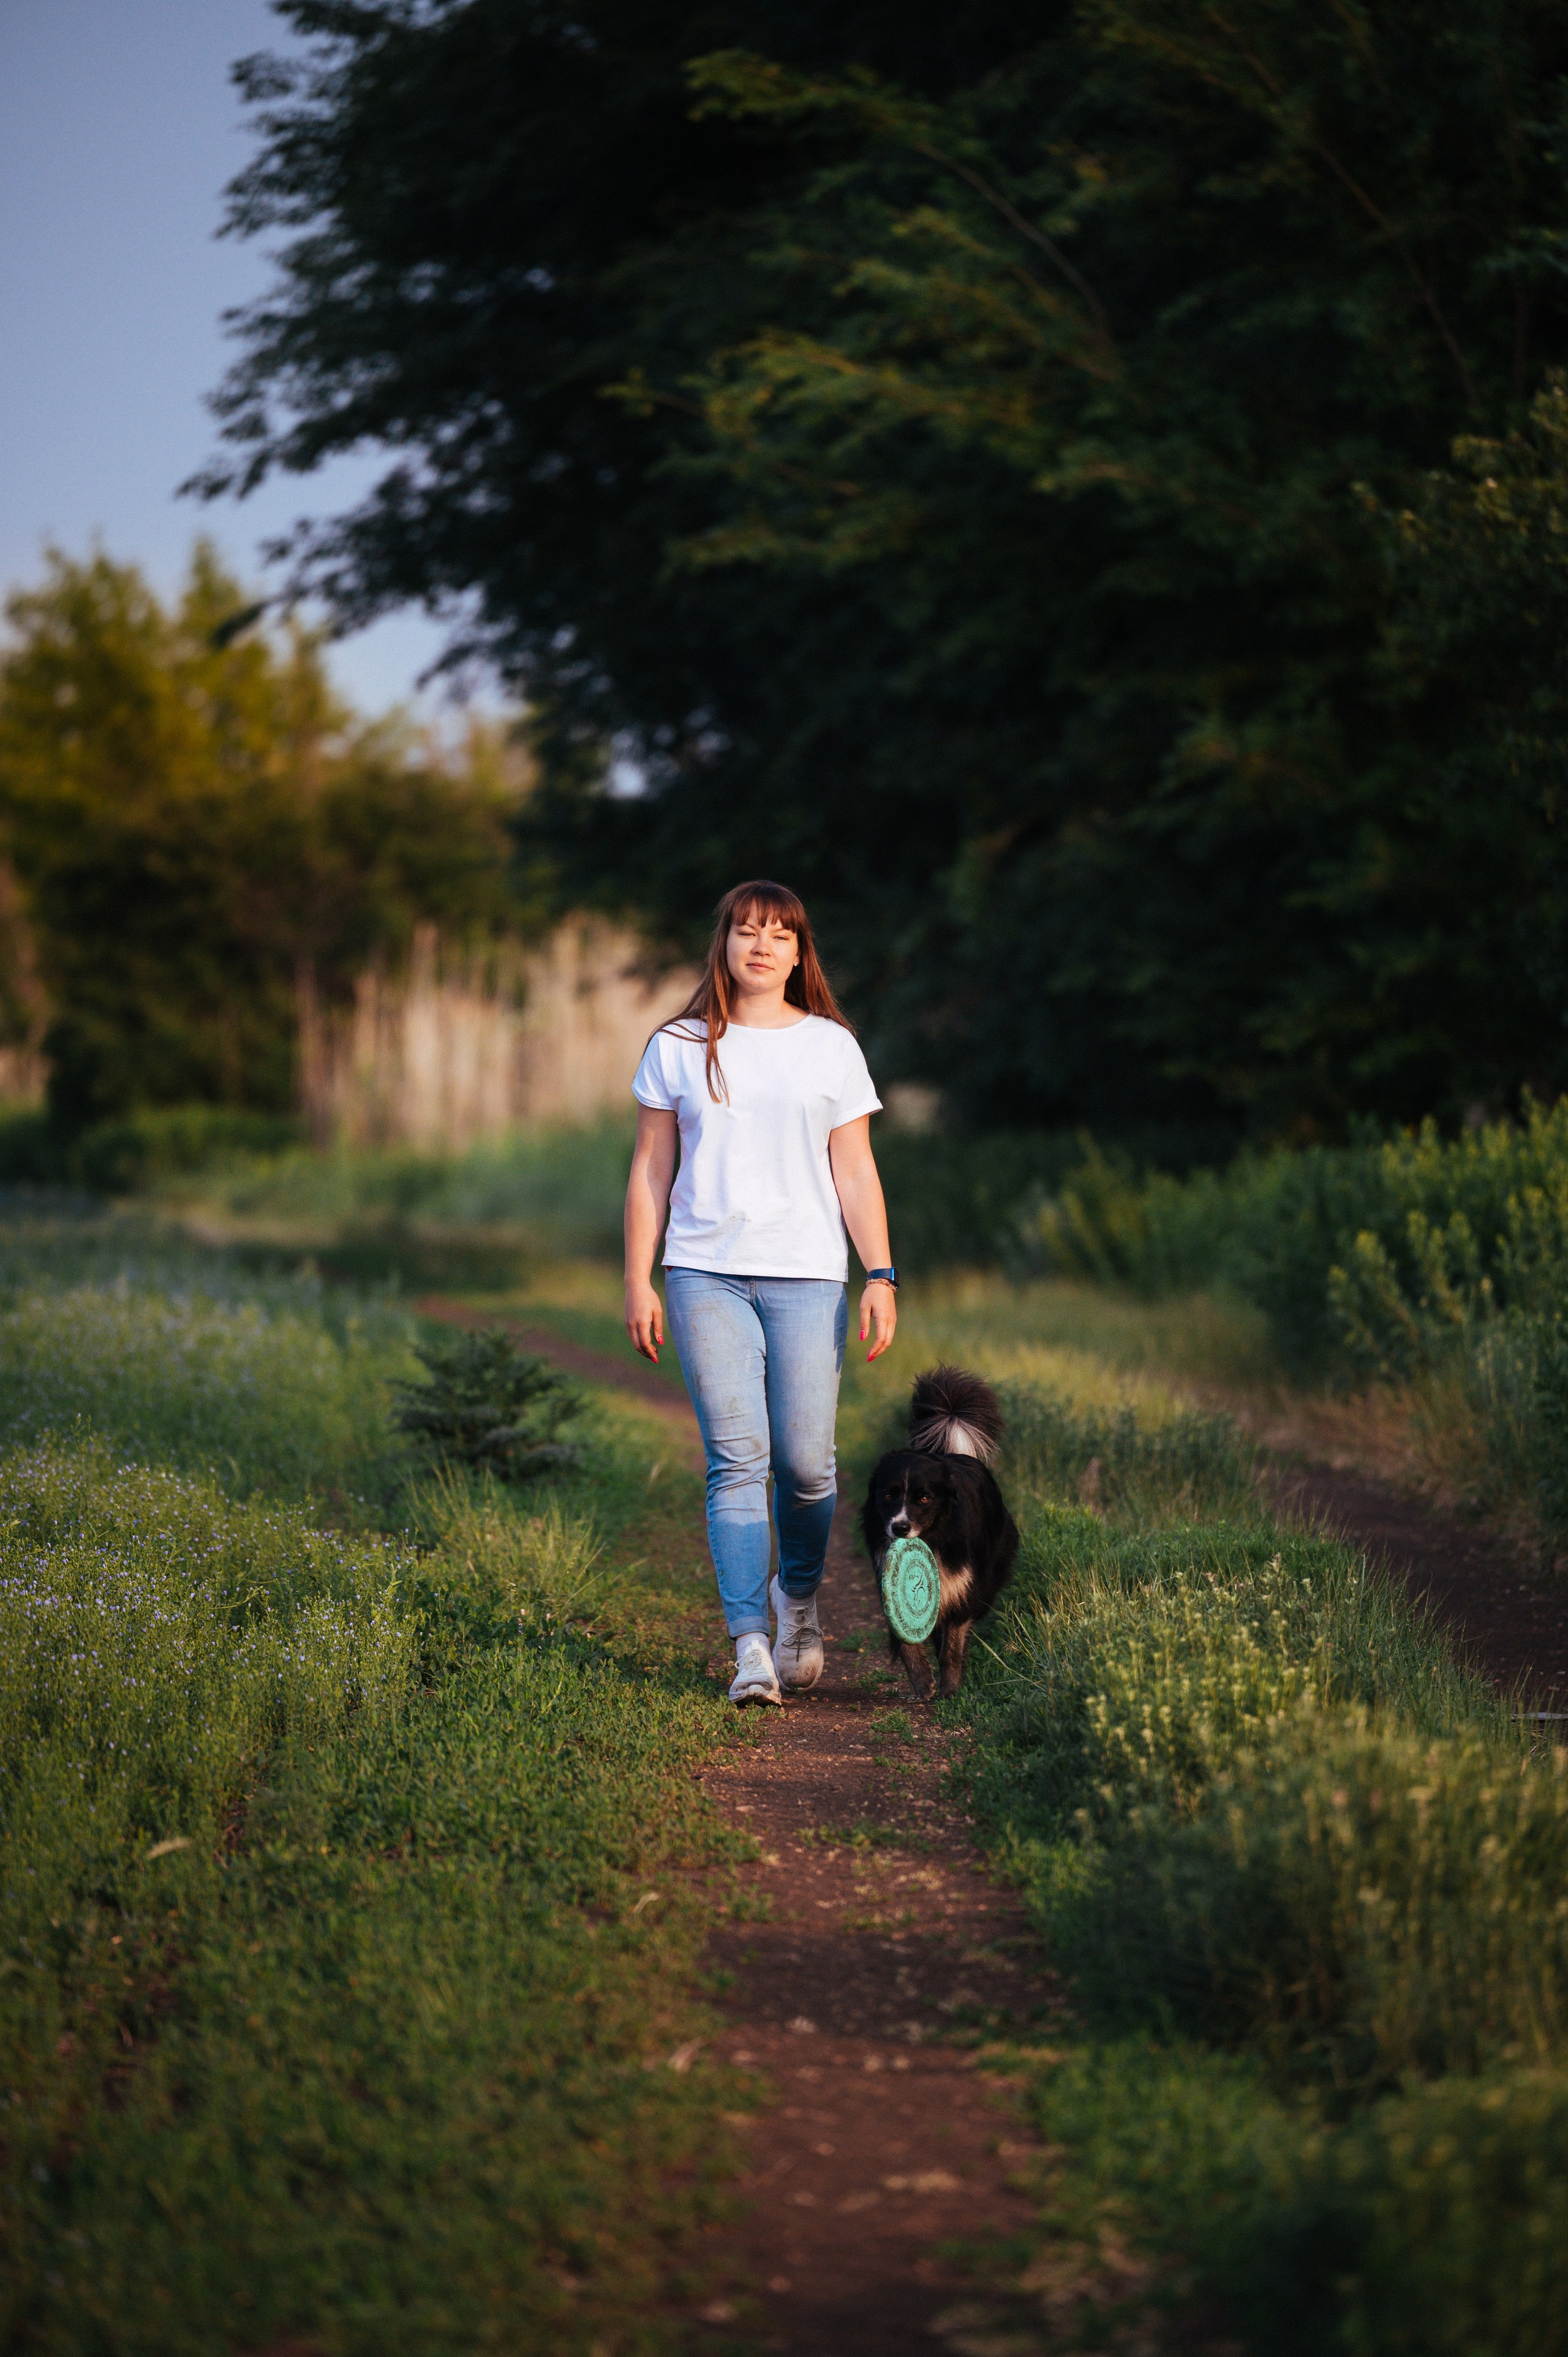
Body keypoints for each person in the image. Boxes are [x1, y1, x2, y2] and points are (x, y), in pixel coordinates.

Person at [624, 880, 899, 1705]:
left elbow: (855, 1168)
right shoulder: (678, 1043)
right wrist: (639, 1279)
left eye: (781, 934)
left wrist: (880, 1274)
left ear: (799, 951)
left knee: (808, 1466)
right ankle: (749, 1646)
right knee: (737, 1463)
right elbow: (650, 1169)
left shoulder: (830, 1047)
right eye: (748, 931)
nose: (763, 945)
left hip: (811, 1275)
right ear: (726, 944)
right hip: (705, 1270)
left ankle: (798, 1601)